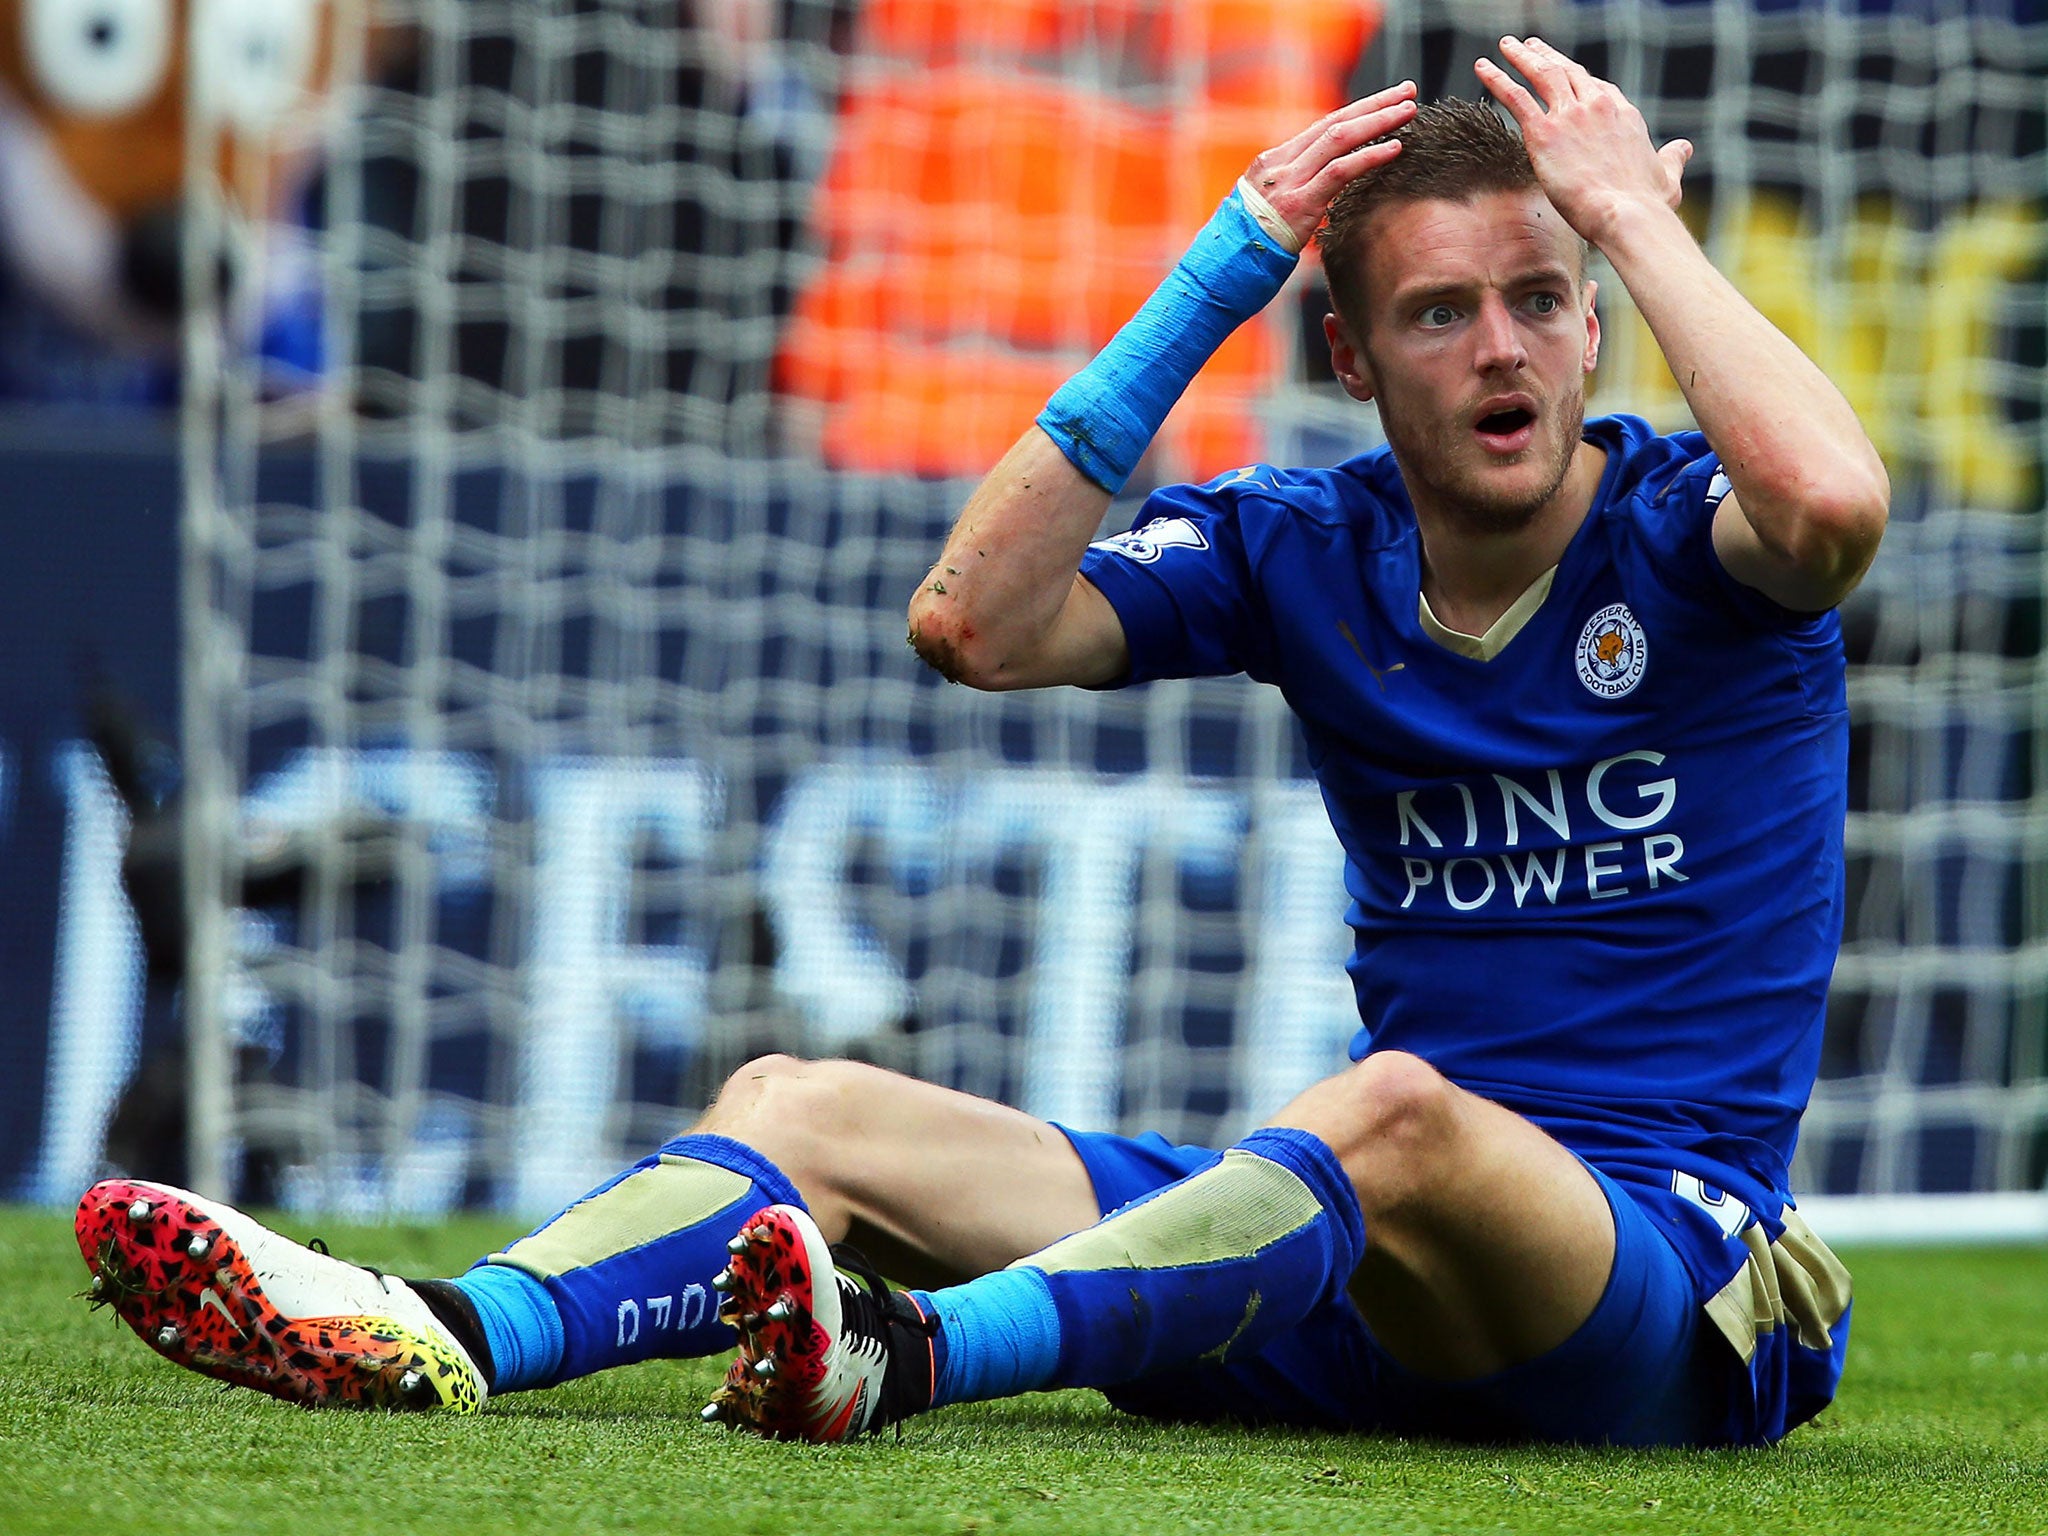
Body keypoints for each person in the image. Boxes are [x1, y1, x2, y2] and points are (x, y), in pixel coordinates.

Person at [77, 37, 1881, 1448]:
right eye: (1439, 310)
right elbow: (973, 622)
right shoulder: (1304, 547)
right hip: (1360, 1289)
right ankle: (447, 1334)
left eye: (1539, 299)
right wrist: (1220, 265)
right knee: (801, 1108)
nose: (1506, 349)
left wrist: (1632, 219)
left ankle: (912, 1356)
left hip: (1650, 1288)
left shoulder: (1693, 529)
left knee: (1399, 1112)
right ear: (1350, 355)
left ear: (1589, 320)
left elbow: (1835, 503)